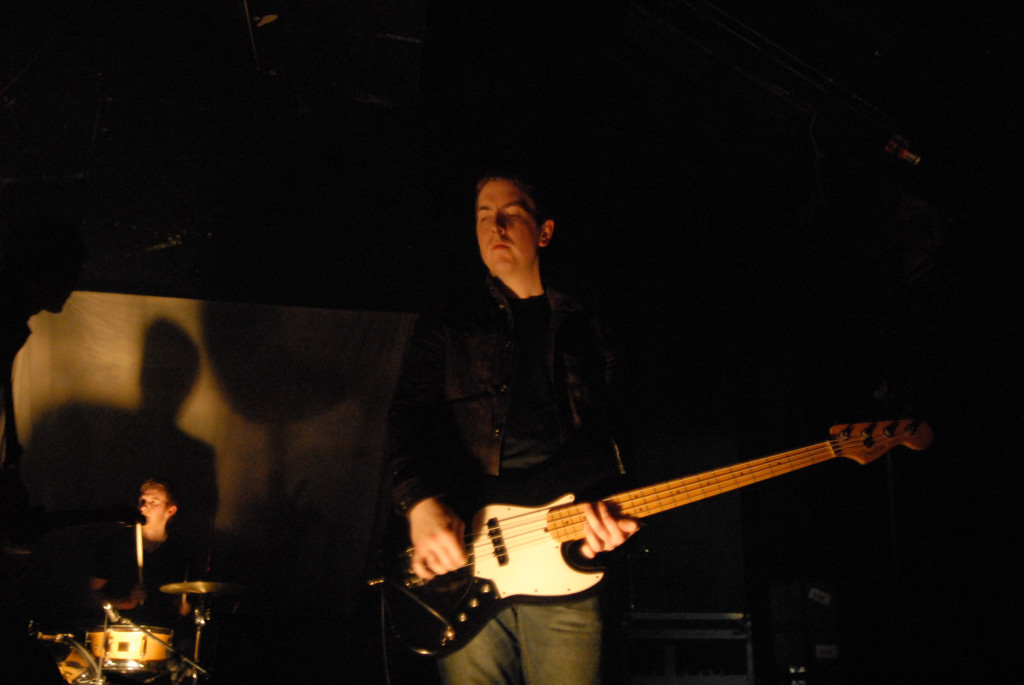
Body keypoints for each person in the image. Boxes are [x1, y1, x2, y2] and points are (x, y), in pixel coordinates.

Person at [387, 171, 639, 684]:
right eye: (484, 218)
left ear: (544, 231)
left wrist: (613, 514)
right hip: (470, 560)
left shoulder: (590, 323)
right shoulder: (448, 320)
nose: (495, 227)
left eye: (511, 214)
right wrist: (419, 502)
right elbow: (408, 417)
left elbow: (624, 433)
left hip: (569, 560)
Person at [88, 479, 199, 676]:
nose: (144, 507)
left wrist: (185, 607)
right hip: (118, 634)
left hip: (165, 638)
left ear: (170, 510)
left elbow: (192, 597)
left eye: (153, 502)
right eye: (142, 501)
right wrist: (123, 603)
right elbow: (89, 594)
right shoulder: (115, 544)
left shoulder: (182, 550)